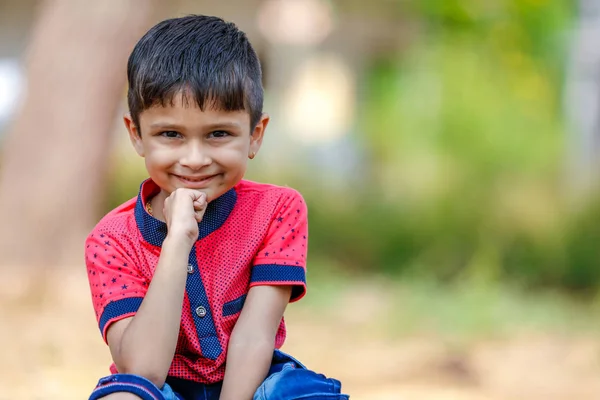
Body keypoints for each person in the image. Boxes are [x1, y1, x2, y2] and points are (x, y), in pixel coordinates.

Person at [84, 14, 348, 400]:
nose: (194, 159)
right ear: (137, 136)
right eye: (170, 134)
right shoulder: (111, 240)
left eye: (218, 134)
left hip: (252, 384)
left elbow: (255, 335)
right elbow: (142, 370)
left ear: (255, 136)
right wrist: (177, 240)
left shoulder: (277, 210)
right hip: (161, 389)